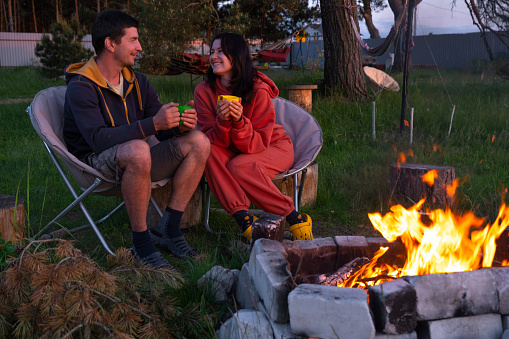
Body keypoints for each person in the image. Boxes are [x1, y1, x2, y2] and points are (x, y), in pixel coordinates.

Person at [63, 10, 210, 268]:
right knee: (139, 150)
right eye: (133, 40)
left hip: (136, 157)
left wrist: (177, 125)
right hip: (95, 163)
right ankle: (142, 244)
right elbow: (97, 139)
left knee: (199, 141)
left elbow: (158, 127)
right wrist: (152, 124)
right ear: (110, 44)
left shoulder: (137, 81)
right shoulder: (81, 86)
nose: (139, 47)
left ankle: (169, 228)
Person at [194, 32, 313, 242]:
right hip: (233, 148)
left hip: (271, 146)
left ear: (237, 55)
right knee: (207, 150)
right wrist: (222, 121)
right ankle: (244, 219)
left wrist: (239, 122)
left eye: (220, 51)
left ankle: (293, 215)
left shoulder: (258, 90)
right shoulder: (204, 91)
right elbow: (209, 138)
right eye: (212, 51)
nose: (213, 56)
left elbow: (257, 143)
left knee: (240, 165)